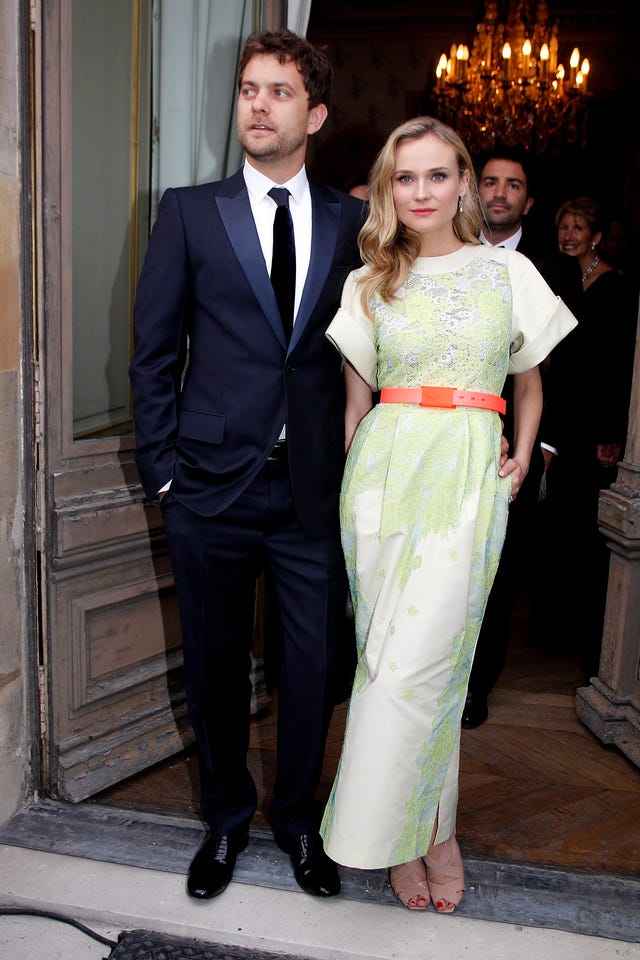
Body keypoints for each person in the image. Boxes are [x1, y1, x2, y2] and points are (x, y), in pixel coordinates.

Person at [318, 116, 577, 912]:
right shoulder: (369, 280)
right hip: (383, 478)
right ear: (387, 189)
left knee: (431, 665)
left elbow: (529, 380)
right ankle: (416, 837)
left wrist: (522, 454)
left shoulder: (509, 273)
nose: (421, 191)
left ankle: (431, 833)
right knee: (385, 664)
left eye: (437, 175)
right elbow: (355, 405)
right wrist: (359, 484)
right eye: (405, 177)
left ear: (464, 181)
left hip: (467, 475)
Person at [129, 29, 365, 902]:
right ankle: (226, 820)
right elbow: (152, 354)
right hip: (208, 489)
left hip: (312, 493)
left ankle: (298, 822)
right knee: (215, 668)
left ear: (317, 114)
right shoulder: (189, 212)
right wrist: (164, 474)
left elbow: (377, 345)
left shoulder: (352, 223)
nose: (258, 105)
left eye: (279, 91)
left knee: (313, 671)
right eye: (248, 89)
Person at [462, 146, 582, 728]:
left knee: (497, 570)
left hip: (517, 443)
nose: (499, 193)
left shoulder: (553, 267)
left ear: (528, 202)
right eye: (491, 181)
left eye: (512, 185)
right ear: (474, 189)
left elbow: (567, 365)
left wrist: (545, 446)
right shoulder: (447, 249)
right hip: (449, 434)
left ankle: (477, 686)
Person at [529, 196, 636, 674]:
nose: (568, 235)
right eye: (563, 227)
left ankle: (581, 632)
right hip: (557, 413)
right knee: (553, 523)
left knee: (584, 526)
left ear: (596, 236)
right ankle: (550, 626)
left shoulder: (614, 286)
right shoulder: (554, 276)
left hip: (593, 422)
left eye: (578, 228)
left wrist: (612, 431)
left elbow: (619, 365)